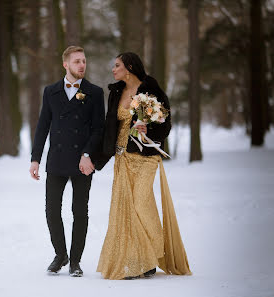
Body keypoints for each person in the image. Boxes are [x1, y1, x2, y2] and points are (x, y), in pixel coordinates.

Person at [95, 52, 191, 280]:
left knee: (140, 202)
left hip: (146, 157)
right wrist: (97, 157)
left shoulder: (152, 89)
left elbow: (165, 123)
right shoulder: (116, 92)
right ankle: (139, 262)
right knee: (124, 210)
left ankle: (156, 250)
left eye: (116, 65)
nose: (113, 69)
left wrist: (150, 131)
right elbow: (110, 126)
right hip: (122, 157)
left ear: (129, 67)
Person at [29, 46, 105, 277]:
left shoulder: (94, 92)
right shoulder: (50, 91)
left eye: (84, 61)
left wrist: (87, 155)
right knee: (52, 211)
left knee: (79, 211)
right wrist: (35, 159)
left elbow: (98, 129)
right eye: (77, 62)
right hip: (57, 159)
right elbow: (43, 126)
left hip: (83, 161)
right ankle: (60, 254)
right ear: (66, 65)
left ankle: (75, 262)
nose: (82, 65)